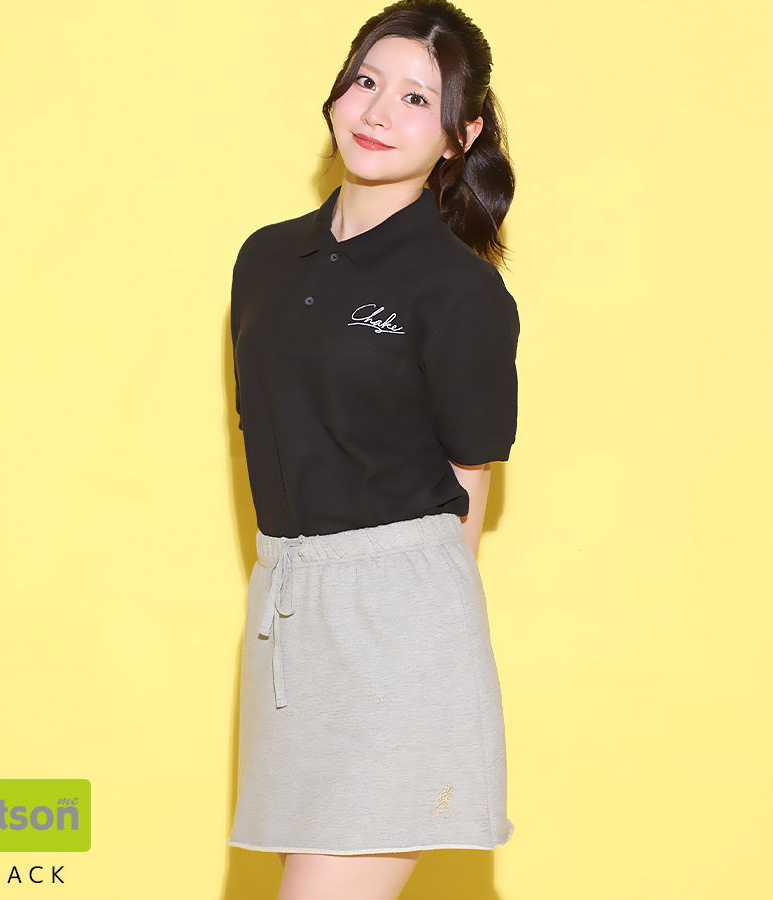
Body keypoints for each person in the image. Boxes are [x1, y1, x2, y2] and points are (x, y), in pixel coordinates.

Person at [227, 1, 520, 897]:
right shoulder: (264, 260)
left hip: (398, 623)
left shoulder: (460, 290)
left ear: (460, 135)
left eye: (416, 98)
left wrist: (423, 648)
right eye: (366, 81)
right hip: (285, 614)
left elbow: (468, 480)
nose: (378, 112)